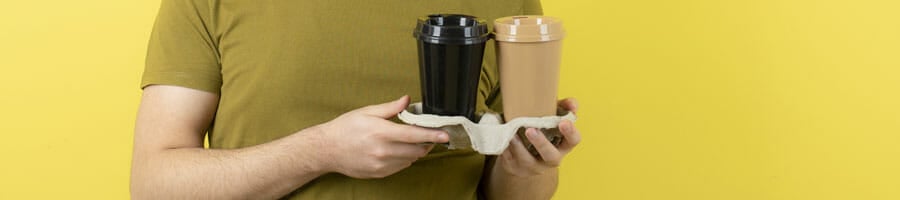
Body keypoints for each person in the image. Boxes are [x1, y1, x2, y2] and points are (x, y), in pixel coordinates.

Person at [129, 0, 582, 199]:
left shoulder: (513, 8)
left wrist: (527, 168)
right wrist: (319, 151)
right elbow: (155, 185)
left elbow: (510, 193)